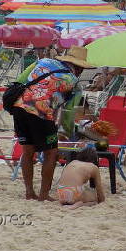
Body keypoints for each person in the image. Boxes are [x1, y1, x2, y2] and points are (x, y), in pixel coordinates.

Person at [11, 46, 93, 201]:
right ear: (80, 68)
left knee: (27, 151)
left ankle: (29, 192)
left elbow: (20, 81)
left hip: (19, 107)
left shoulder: (43, 61)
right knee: (51, 153)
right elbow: (67, 114)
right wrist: (63, 135)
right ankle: (43, 194)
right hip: (41, 112)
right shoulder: (74, 82)